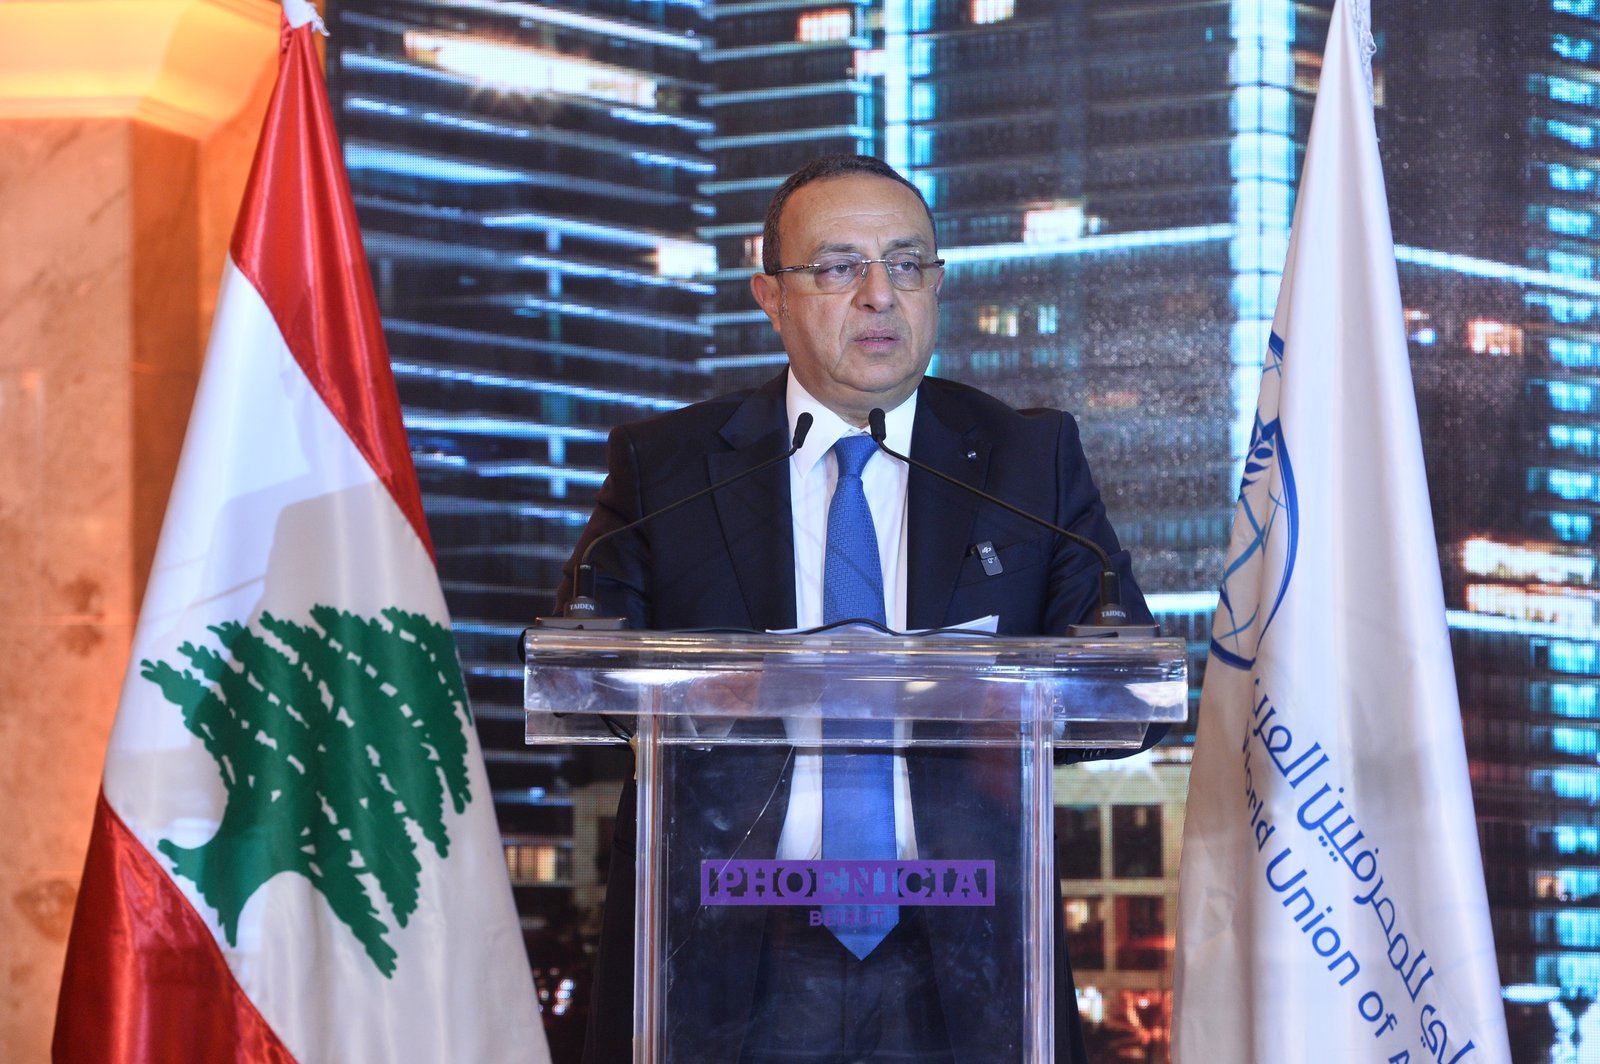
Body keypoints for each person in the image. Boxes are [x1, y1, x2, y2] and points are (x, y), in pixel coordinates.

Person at [555, 154, 1158, 1063]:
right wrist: (725, 694)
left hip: (967, 955)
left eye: (907, 264)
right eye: (841, 267)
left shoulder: (1027, 459)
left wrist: (983, 703)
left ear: (937, 285)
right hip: (726, 954)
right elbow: (582, 671)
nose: (881, 294)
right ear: (771, 295)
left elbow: (1124, 685)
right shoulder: (667, 467)